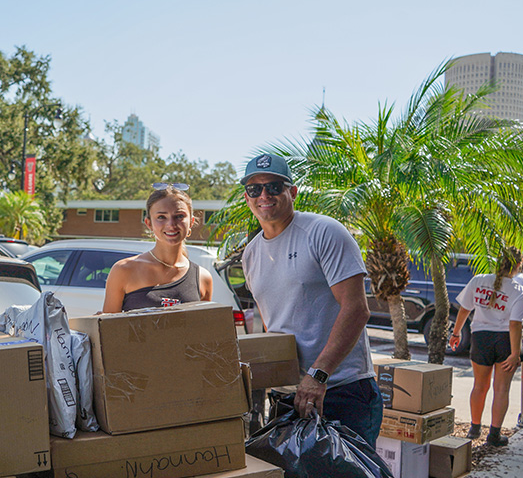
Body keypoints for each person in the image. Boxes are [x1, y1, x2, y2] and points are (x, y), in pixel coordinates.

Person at [240, 153, 383, 447]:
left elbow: (356, 309)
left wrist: (318, 375)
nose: (264, 195)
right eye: (255, 189)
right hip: (287, 396)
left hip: (341, 390)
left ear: (292, 192)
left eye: (274, 186)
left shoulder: (323, 232)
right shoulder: (251, 254)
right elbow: (273, 324)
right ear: (247, 197)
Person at [449, 246, 523, 446]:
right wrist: (515, 353)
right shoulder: (519, 291)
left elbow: (464, 309)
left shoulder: (478, 280)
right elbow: (515, 324)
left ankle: (474, 429)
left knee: (479, 386)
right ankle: (494, 435)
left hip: (480, 338)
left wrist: (456, 333)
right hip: (505, 341)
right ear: (519, 265)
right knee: (501, 389)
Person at [103, 183, 213, 312]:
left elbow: (203, 329)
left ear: (191, 222)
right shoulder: (123, 270)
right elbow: (109, 329)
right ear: (149, 224)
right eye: (161, 217)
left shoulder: (203, 278)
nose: (171, 224)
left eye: (179, 216)